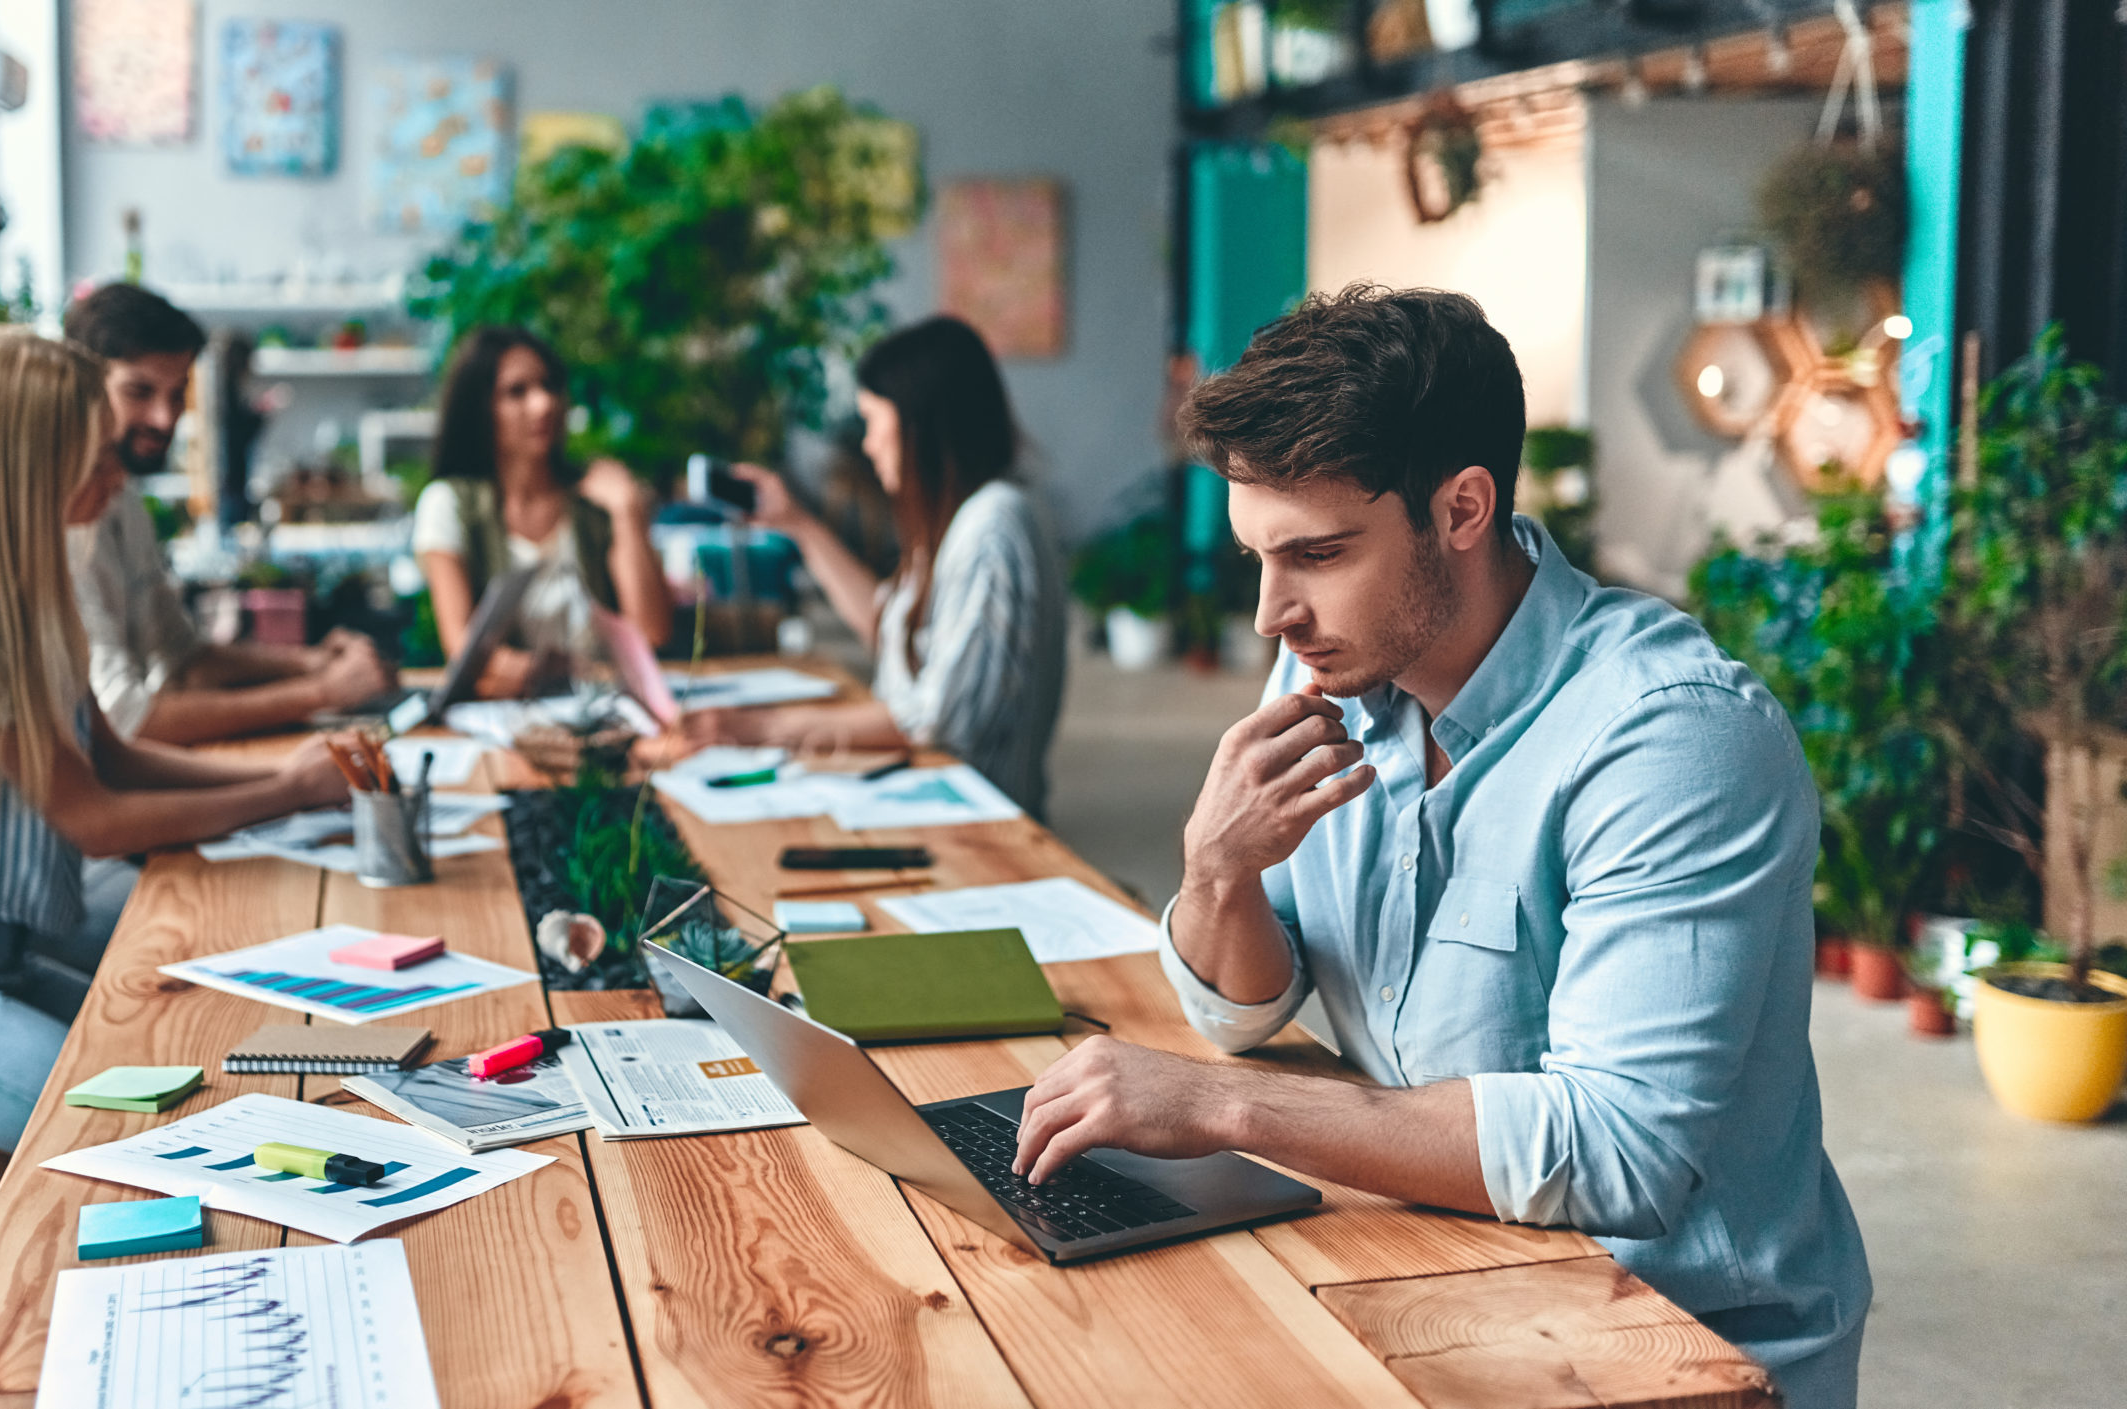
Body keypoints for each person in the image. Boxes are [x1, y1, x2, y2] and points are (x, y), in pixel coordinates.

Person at [1005, 286, 1870, 1406]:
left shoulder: (1672, 735)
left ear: (1462, 508)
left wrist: (1219, 1107)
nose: (1271, 613)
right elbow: (1246, 1010)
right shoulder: (1336, 663)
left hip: (1670, 1349)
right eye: (1258, 557)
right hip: (1438, 1270)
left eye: (1315, 554)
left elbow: (1619, 1148)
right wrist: (1219, 871)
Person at [0, 327, 353, 1155]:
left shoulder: (28, 590)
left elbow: (112, 758)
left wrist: (291, 774)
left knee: (196, 1068)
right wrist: (287, 792)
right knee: (155, 1135)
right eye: (95, 458)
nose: (115, 474)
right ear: (31, 470)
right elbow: (91, 817)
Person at [700, 316, 1067, 816]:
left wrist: (757, 728)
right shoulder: (956, 522)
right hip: (931, 806)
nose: (869, 444)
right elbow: (890, 626)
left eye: (875, 420)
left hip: (972, 826)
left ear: (918, 424)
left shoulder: (992, 526)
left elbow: (936, 721)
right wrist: (797, 524)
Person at [61, 283, 394, 745]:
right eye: (140, 391)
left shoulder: (124, 502)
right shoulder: (65, 521)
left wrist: (310, 662)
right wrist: (319, 691)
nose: (165, 418)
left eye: (177, 395)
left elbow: (182, 657)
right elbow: (123, 718)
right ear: (79, 385)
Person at [412, 326, 671, 696]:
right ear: (480, 407)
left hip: (610, 708)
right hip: (512, 715)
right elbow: (462, 651)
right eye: (517, 392)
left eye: (550, 386)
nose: (543, 404)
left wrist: (628, 513)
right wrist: (546, 673)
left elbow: (652, 633)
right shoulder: (449, 503)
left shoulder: (598, 499)